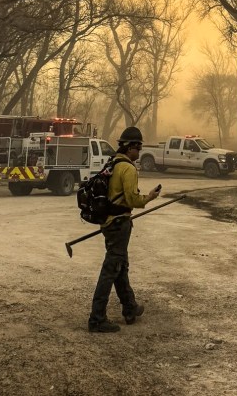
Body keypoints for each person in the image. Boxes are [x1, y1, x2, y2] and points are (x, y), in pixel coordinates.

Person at [88, 126, 161, 333]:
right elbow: (132, 199)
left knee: (120, 266)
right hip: (119, 224)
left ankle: (130, 308)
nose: (139, 154)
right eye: (138, 149)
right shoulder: (128, 168)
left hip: (109, 223)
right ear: (131, 148)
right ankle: (96, 319)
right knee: (111, 270)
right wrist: (149, 197)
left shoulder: (113, 163)